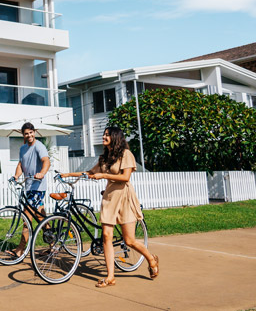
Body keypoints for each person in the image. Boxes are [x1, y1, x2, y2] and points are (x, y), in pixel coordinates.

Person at [62, 126, 159, 287]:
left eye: (107, 135)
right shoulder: (104, 158)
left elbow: (125, 177)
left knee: (129, 241)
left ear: (115, 137)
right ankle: (111, 277)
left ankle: (151, 259)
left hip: (124, 197)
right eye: (104, 134)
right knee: (106, 236)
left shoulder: (126, 154)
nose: (104, 137)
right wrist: (69, 174)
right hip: (109, 198)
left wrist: (104, 175)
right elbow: (90, 172)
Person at [9, 122, 51, 258]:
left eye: (31, 132)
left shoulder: (40, 147)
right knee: (40, 217)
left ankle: (20, 249)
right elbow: (21, 164)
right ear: (23, 135)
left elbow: (46, 161)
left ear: (34, 132)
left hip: (38, 187)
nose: (29, 135)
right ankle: (53, 244)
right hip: (28, 187)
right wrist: (16, 176)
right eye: (26, 133)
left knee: (26, 216)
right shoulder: (23, 148)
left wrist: (42, 173)